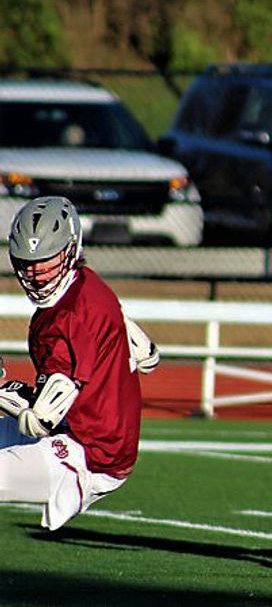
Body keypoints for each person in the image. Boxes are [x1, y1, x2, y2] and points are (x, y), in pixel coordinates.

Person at [0, 196, 158, 530]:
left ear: (71, 249)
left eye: (46, 260)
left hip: (90, 453)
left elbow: (39, 421)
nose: (36, 273)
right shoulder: (85, 282)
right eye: (27, 263)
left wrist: (4, 393)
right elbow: (145, 352)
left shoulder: (68, 318)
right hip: (84, 430)